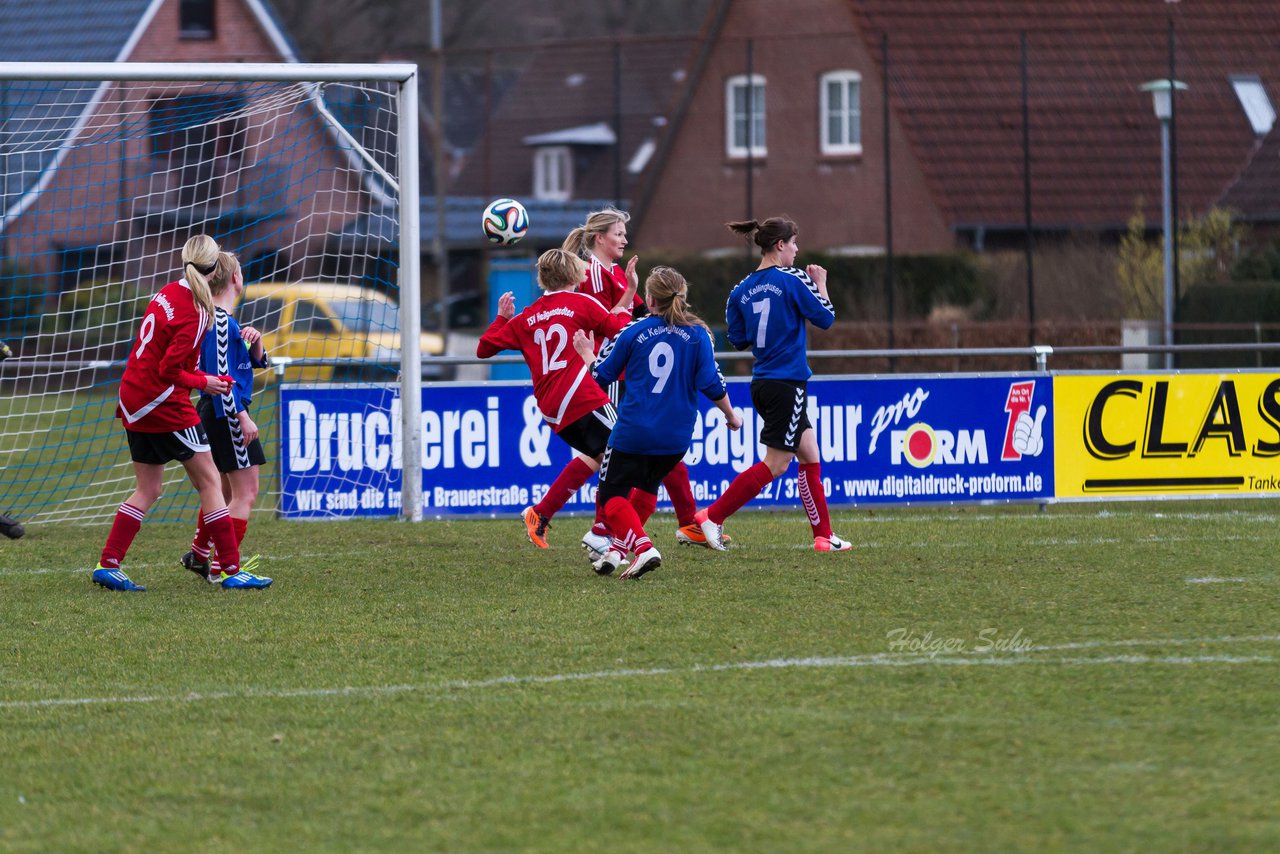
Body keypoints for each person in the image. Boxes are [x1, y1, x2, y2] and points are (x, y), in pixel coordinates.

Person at [531, 206, 727, 557]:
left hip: (624, 372)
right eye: (618, 234)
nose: (624, 239)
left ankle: (606, 529)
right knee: (625, 455)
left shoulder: (616, 272)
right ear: (599, 238)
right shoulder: (591, 274)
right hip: (607, 373)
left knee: (633, 454)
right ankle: (605, 531)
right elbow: (604, 322)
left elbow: (643, 314)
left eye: (624, 233)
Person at [92, 235, 271, 591]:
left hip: (132, 396)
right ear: (217, 270)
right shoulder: (197, 312)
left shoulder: (170, 290)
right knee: (210, 483)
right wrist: (206, 382)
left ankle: (108, 564)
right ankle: (230, 571)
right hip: (162, 403)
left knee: (150, 488)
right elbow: (169, 371)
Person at [694, 217, 853, 553]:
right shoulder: (793, 279)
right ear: (779, 245)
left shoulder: (740, 290)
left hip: (763, 382)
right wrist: (820, 283)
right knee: (777, 463)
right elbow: (825, 318)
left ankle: (824, 537)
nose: (797, 250)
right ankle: (712, 516)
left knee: (809, 454)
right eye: (794, 243)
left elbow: (738, 340)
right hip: (787, 382)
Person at [573, 266, 741, 579]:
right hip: (676, 438)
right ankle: (616, 552)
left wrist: (585, 353)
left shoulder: (634, 332)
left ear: (649, 300)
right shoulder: (699, 335)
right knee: (647, 490)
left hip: (634, 432)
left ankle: (643, 547)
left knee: (611, 498)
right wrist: (731, 416)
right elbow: (712, 384)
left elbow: (602, 376)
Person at [476, 248, 635, 548]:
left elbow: (484, 349)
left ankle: (541, 513)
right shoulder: (581, 303)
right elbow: (618, 329)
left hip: (552, 408)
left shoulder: (527, 316)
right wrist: (629, 301)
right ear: (574, 274)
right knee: (625, 455)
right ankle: (602, 533)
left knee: (601, 457)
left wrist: (501, 319)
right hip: (581, 396)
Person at [181, 252, 272, 583]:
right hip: (226, 412)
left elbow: (246, 364)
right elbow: (221, 378)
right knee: (245, 493)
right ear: (235, 279)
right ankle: (222, 569)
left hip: (217, 411)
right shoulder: (219, 322)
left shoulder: (222, 321)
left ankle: (200, 554)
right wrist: (242, 416)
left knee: (220, 490)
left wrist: (256, 343)